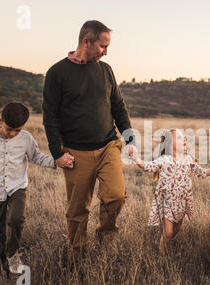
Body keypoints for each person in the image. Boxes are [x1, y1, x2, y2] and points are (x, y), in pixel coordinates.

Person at [42, 20, 136, 262]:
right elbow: (50, 116)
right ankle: (76, 257)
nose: (105, 52)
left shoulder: (105, 70)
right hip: (75, 152)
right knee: (77, 210)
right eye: (103, 46)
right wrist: (57, 152)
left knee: (116, 195)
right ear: (87, 42)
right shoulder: (57, 73)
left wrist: (129, 138)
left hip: (108, 146)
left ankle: (105, 235)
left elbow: (118, 106)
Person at [0, 102, 57, 276]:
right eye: (9, 129)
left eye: (17, 130)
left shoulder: (26, 138)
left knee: (17, 220)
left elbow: (37, 157)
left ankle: (12, 253)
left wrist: (56, 162)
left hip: (17, 186)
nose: (12, 134)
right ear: (0, 120)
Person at [129, 129, 210, 255]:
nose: (184, 139)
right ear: (170, 144)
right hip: (167, 202)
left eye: (184, 138)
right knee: (168, 232)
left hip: (182, 201)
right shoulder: (165, 160)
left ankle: (167, 242)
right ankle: (162, 251)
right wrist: (136, 158)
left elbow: (202, 172)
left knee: (177, 229)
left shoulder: (189, 160)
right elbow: (147, 166)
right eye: (180, 138)